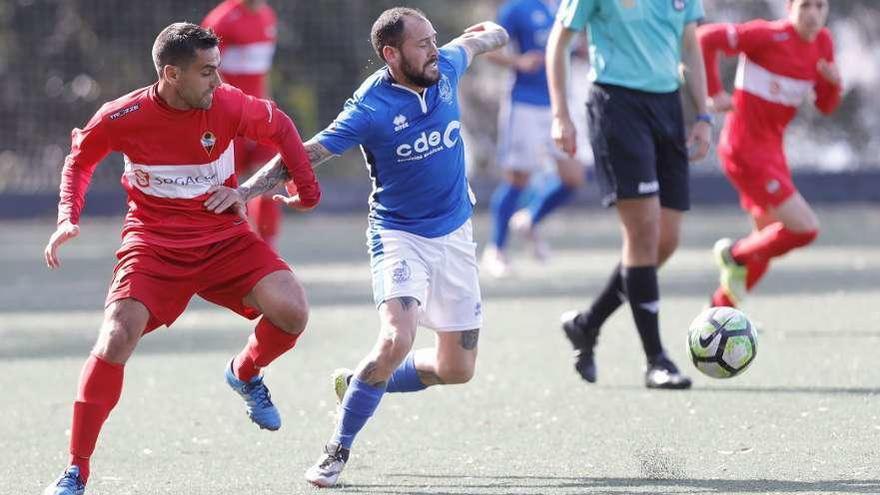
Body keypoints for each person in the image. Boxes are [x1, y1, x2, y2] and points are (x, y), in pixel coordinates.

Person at [231, 7, 508, 487]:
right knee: (395, 340)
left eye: (432, 39)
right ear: (391, 53)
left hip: (456, 235)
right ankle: (336, 450)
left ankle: (357, 383)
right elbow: (306, 152)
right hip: (399, 236)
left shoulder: (447, 65)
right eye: (421, 44)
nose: (432, 49)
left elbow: (481, 40)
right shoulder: (370, 108)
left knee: (456, 368)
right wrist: (244, 193)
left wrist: (492, 33)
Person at [42, 22, 321, 495]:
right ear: (171, 74)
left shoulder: (229, 103)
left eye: (218, 69)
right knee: (115, 336)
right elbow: (81, 159)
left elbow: (281, 126)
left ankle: (245, 373)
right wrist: (67, 215)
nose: (219, 81)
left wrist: (307, 192)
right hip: (153, 243)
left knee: (293, 311)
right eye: (207, 72)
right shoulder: (122, 115)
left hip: (224, 238)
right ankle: (75, 471)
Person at [547, 0, 712, 388]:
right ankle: (656, 360)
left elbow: (690, 46)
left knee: (666, 242)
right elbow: (560, 41)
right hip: (617, 106)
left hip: (668, 107)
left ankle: (588, 324)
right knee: (642, 234)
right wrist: (560, 115)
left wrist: (702, 115)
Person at [699, 0, 841, 308]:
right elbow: (704, 39)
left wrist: (833, 83)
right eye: (805, 5)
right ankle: (733, 255)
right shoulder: (767, 36)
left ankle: (720, 311)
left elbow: (825, 106)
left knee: (764, 238)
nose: (813, 14)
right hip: (745, 151)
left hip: (772, 152)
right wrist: (714, 92)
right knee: (804, 228)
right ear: (789, 7)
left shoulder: (823, 42)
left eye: (820, 6)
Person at [481, 0, 588, 276]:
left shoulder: (568, 5)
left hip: (559, 105)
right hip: (524, 103)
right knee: (518, 178)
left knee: (573, 177)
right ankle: (496, 250)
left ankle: (529, 219)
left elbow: (572, 46)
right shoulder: (517, 8)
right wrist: (518, 61)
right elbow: (486, 50)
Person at [202, 0, 283, 246]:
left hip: (259, 114)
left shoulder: (268, 16)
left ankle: (267, 249)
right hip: (228, 117)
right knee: (227, 184)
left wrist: (267, 104)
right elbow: (203, 70)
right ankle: (226, 246)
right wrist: (227, 108)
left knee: (270, 178)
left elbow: (263, 71)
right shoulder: (221, 20)